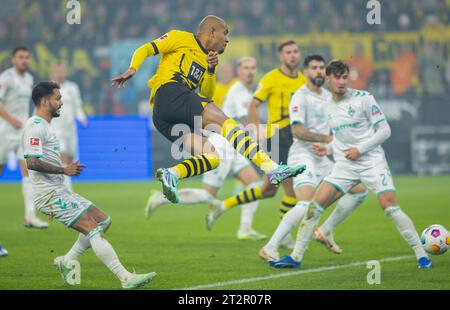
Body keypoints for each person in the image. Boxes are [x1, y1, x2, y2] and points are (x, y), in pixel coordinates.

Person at [112, 16, 304, 204]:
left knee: (212, 157)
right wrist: (133, 68)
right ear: (212, 32)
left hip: (164, 117)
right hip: (170, 92)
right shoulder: (180, 37)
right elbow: (146, 48)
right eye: (225, 33)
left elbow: (206, 94)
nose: (227, 39)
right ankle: (271, 167)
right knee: (227, 123)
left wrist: (211, 71)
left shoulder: (207, 60)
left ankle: (172, 174)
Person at [270, 60, 432, 269]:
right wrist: (328, 149)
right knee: (314, 207)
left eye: (344, 77)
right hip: (345, 164)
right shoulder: (327, 104)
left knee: (390, 206)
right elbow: (341, 137)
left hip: (372, 162)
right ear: (328, 79)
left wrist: (361, 149)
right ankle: (296, 257)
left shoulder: (364, 99)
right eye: (337, 77)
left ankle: (422, 256)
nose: (341, 81)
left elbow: (384, 130)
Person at [22, 81, 156, 288]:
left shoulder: (46, 126)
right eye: (57, 98)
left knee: (103, 221)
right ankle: (125, 278)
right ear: (44, 100)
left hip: (57, 191)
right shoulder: (35, 126)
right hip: (49, 194)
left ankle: (67, 260)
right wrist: (64, 171)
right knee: (93, 229)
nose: (61, 102)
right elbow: (31, 162)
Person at [259, 55, 368, 261]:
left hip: (323, 158)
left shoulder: (328, 97)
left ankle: (326, 229)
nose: (318, 71)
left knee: (359, 191)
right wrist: (326, 138)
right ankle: (270, 247)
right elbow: (297, 131)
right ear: (306, 72)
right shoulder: (300, 96)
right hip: (302, 156)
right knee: (305, 204)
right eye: (314, 68)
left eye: (321, 68)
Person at [145, 57, 267, 240]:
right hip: (223, 145)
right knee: (209, 195)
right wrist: (259, 129)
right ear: (238, 72)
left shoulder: (247, 92)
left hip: (235, 146)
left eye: (253, 68)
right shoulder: (237, 90)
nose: (250, 72)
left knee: (255, 183)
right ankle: (160, 198)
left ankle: (245, 228)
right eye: (246, 68)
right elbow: (244, 120)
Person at [205, 41, 307, 248]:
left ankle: (224, 206)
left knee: (267, 189)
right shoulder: (270, 78)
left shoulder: (303, 81)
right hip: (278, 139)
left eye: (295, 51)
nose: (293, 55)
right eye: (288, 52)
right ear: (281, 56)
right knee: (291, 192)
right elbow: (253, 105)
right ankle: (283, 237)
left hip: (295, 138)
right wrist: (258, 128)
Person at [0, 46, 48, 228]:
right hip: (4, 130)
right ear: (13, 60)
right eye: (21, 57)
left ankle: (30, 216)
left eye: (27, 57)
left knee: (28, 170)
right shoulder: (6, 78)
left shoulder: (29, 79)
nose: (24, 60)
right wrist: (11, 120)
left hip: (22, 132)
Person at [51, 63, 88, 191]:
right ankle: (68, 191)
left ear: (65, 72)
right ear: (53, 72)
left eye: (62, 71)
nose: (60, 74)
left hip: (70, 130)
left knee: (70, 159)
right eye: (58, 71)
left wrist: (82, 118)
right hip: (56, 129)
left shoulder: (72, 87)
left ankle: (61, 186)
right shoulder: (49, 88)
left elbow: (77, 106)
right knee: (63, 159)